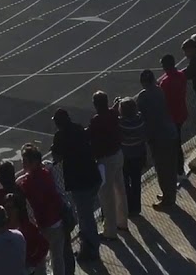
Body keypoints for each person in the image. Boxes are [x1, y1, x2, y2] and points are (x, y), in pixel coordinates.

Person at [50, 109, 103, 262]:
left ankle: (92, 250)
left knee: (85, 217)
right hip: (92, 176)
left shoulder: (60, 136)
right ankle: (87, 246)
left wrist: (55, 149)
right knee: (86, 215)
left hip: (80, 181)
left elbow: (57, 157)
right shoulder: (79, 128)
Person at [16, 144, 70, 275]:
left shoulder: (30, 181)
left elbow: (19, 189)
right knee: (58, 257)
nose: (23, 164)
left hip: (45, 224)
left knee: (40, 260)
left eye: (25, 161)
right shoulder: (46, 173)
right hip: (57, 220)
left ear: (33, 162)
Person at [135, 69, 178, 209]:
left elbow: (139, 116)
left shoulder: (143, 96)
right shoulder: (160, 90)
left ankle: (168, 199)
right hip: (169, 131)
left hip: (158, 136)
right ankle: (170, 194)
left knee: (162, 168)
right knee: (170, 166)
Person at [87, 91, 127, 241]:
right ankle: (122, 221)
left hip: (105, 160)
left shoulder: (96, 120)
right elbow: (113, 111)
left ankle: (110, 230)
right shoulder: (112, 114)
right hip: (118, 154)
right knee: (120, 189)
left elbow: (90, 134)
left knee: (107, 196)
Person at [157, 54, 188, 178]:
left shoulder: (165, 82)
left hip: (171, 116)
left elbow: (162, 99)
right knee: (177, 141)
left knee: (174, 145)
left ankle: (179, 171)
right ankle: (179, 169)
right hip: (181, 112)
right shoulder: (181, 75)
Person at [116, 97, 146, 219]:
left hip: (125, 157)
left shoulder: (121, 124)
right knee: (136, 181)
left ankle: (128, 206)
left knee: (125, 182)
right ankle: (136, 207)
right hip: (138, 155)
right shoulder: (140, 120)